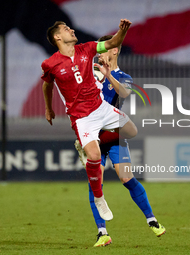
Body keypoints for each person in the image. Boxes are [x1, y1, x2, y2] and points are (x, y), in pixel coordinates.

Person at [41, 19, 138, 222]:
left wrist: (122, 31)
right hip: (81, 117)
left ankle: (87, 144)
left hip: (101, 108)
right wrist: (49, 108)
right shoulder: (50, 64)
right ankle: (99, 198)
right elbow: (47, 85)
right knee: (94, 157)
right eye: (66, 29)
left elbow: (112, 43)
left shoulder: (87, 48)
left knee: (132, 131)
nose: (72, 29)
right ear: (58, 37)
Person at [75, 35, 166, 247]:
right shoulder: (89, 73)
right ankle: (102, 232)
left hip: (114, 134)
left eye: (105, 49)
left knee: (126, 178)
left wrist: (107, 75)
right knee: (95, 182)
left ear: (115, 51)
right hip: (95, 135)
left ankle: (151, 219)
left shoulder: (123, 76)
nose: (100, 53)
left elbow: (124, 92)